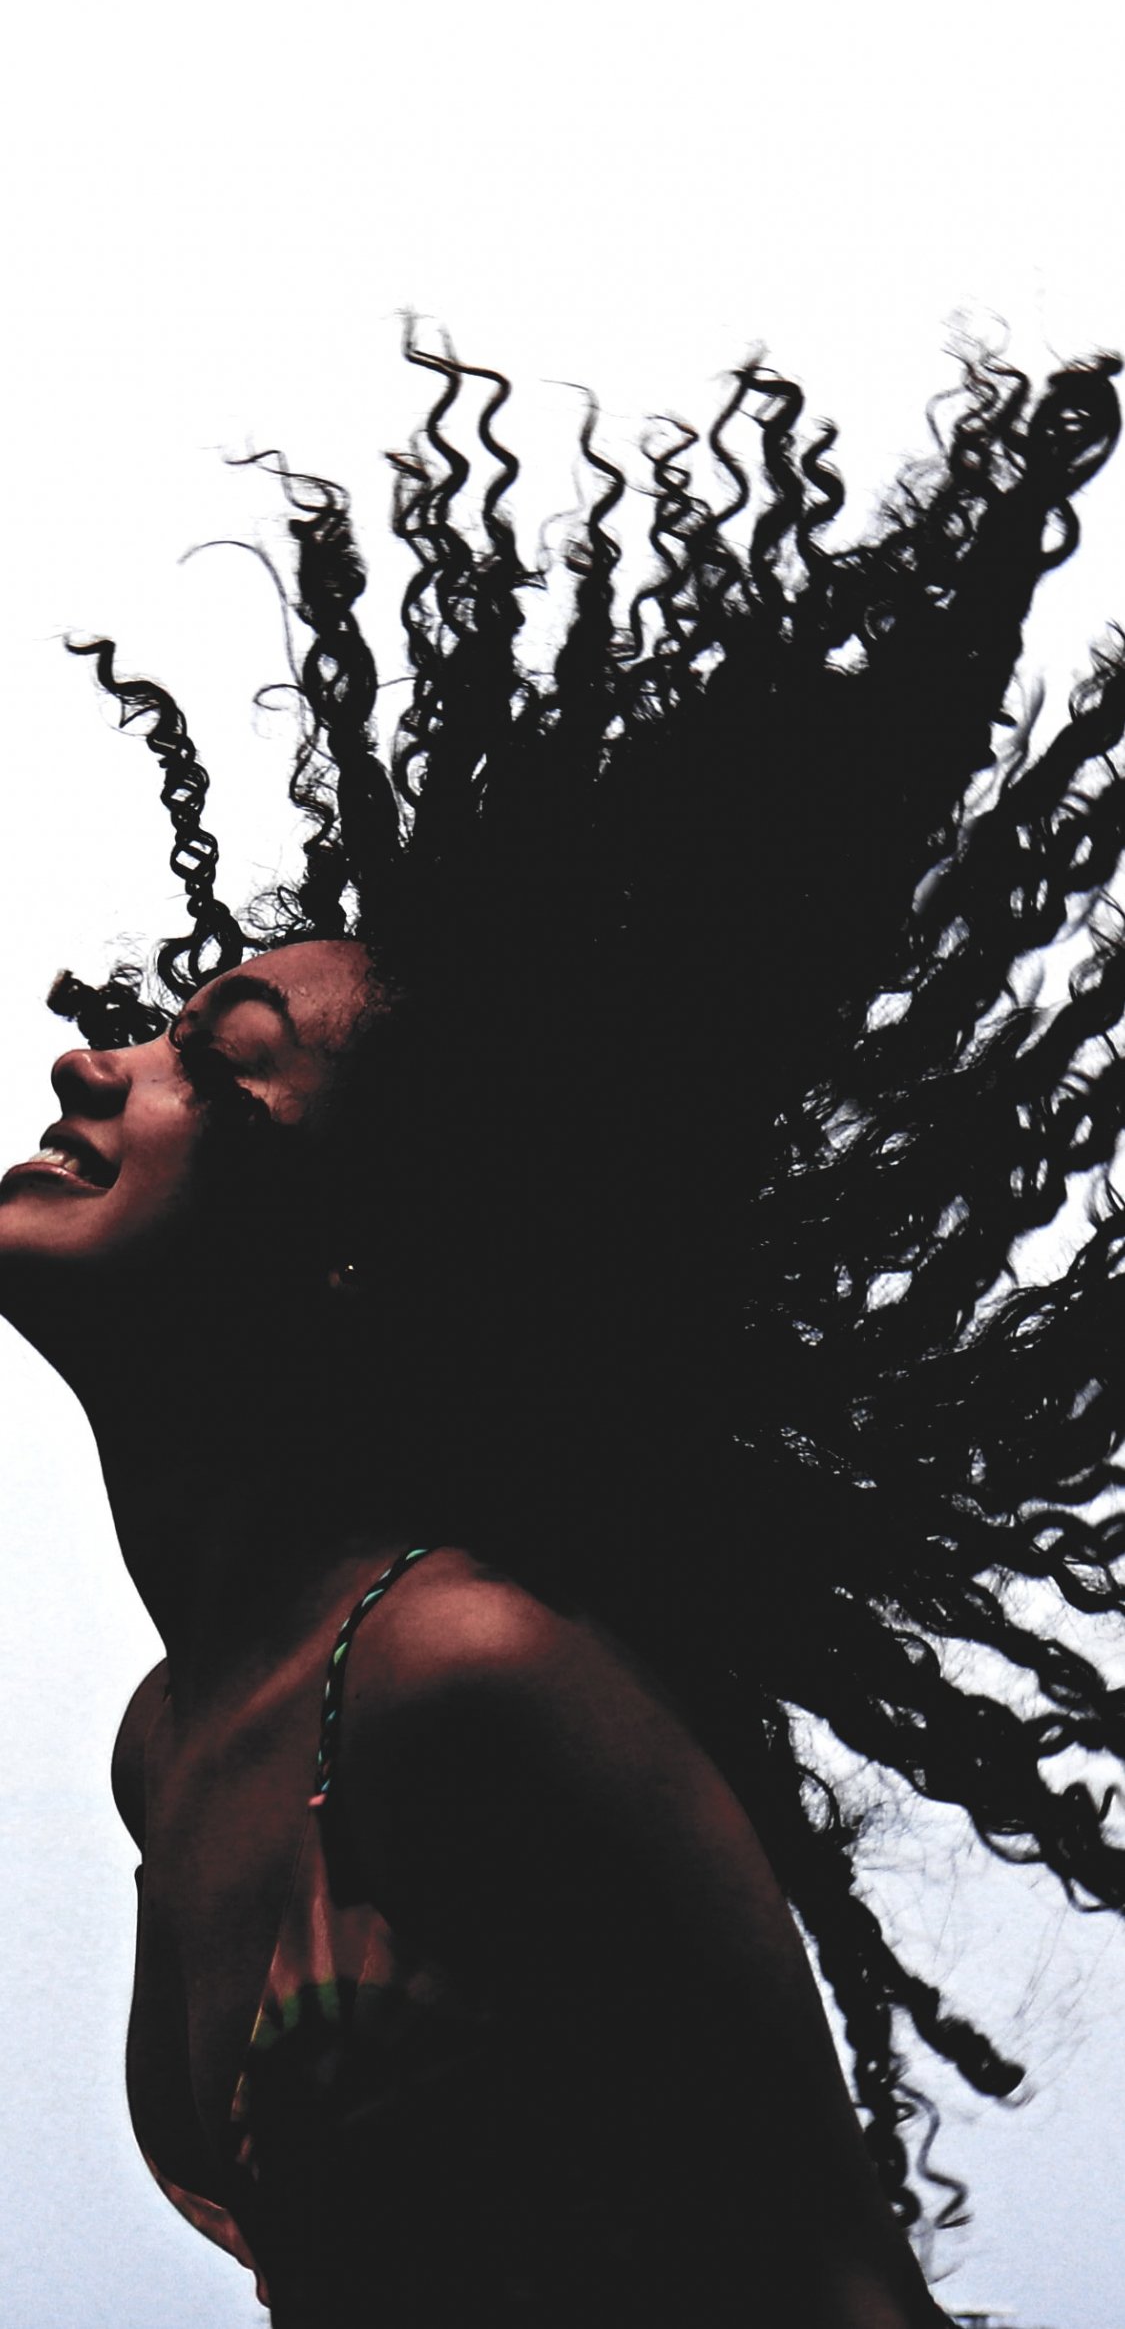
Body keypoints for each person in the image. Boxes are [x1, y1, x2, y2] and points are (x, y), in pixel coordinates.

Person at [5, 332, 1125, 2326]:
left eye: (219, 1063)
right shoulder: (169, 1738)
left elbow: (841, 2293)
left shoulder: (463, 1673)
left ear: (351, 1257)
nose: (100, 1063)